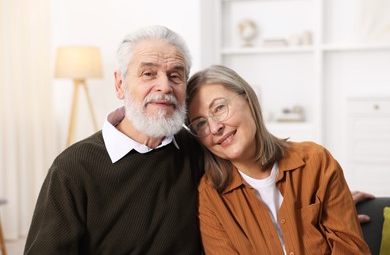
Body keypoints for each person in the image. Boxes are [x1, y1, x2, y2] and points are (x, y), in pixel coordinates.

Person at [24, 25, 204, 254]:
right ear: (120, 84)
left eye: (175, 76)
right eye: (148, 73)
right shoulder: (73, 168)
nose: (164, 86)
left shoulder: (197, 152)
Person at [185, 65, 370, 254]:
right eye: (201, 123)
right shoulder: (210, 197)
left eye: (220, 107)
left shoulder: (316, 162)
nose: (215, 128)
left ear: (248, 99)